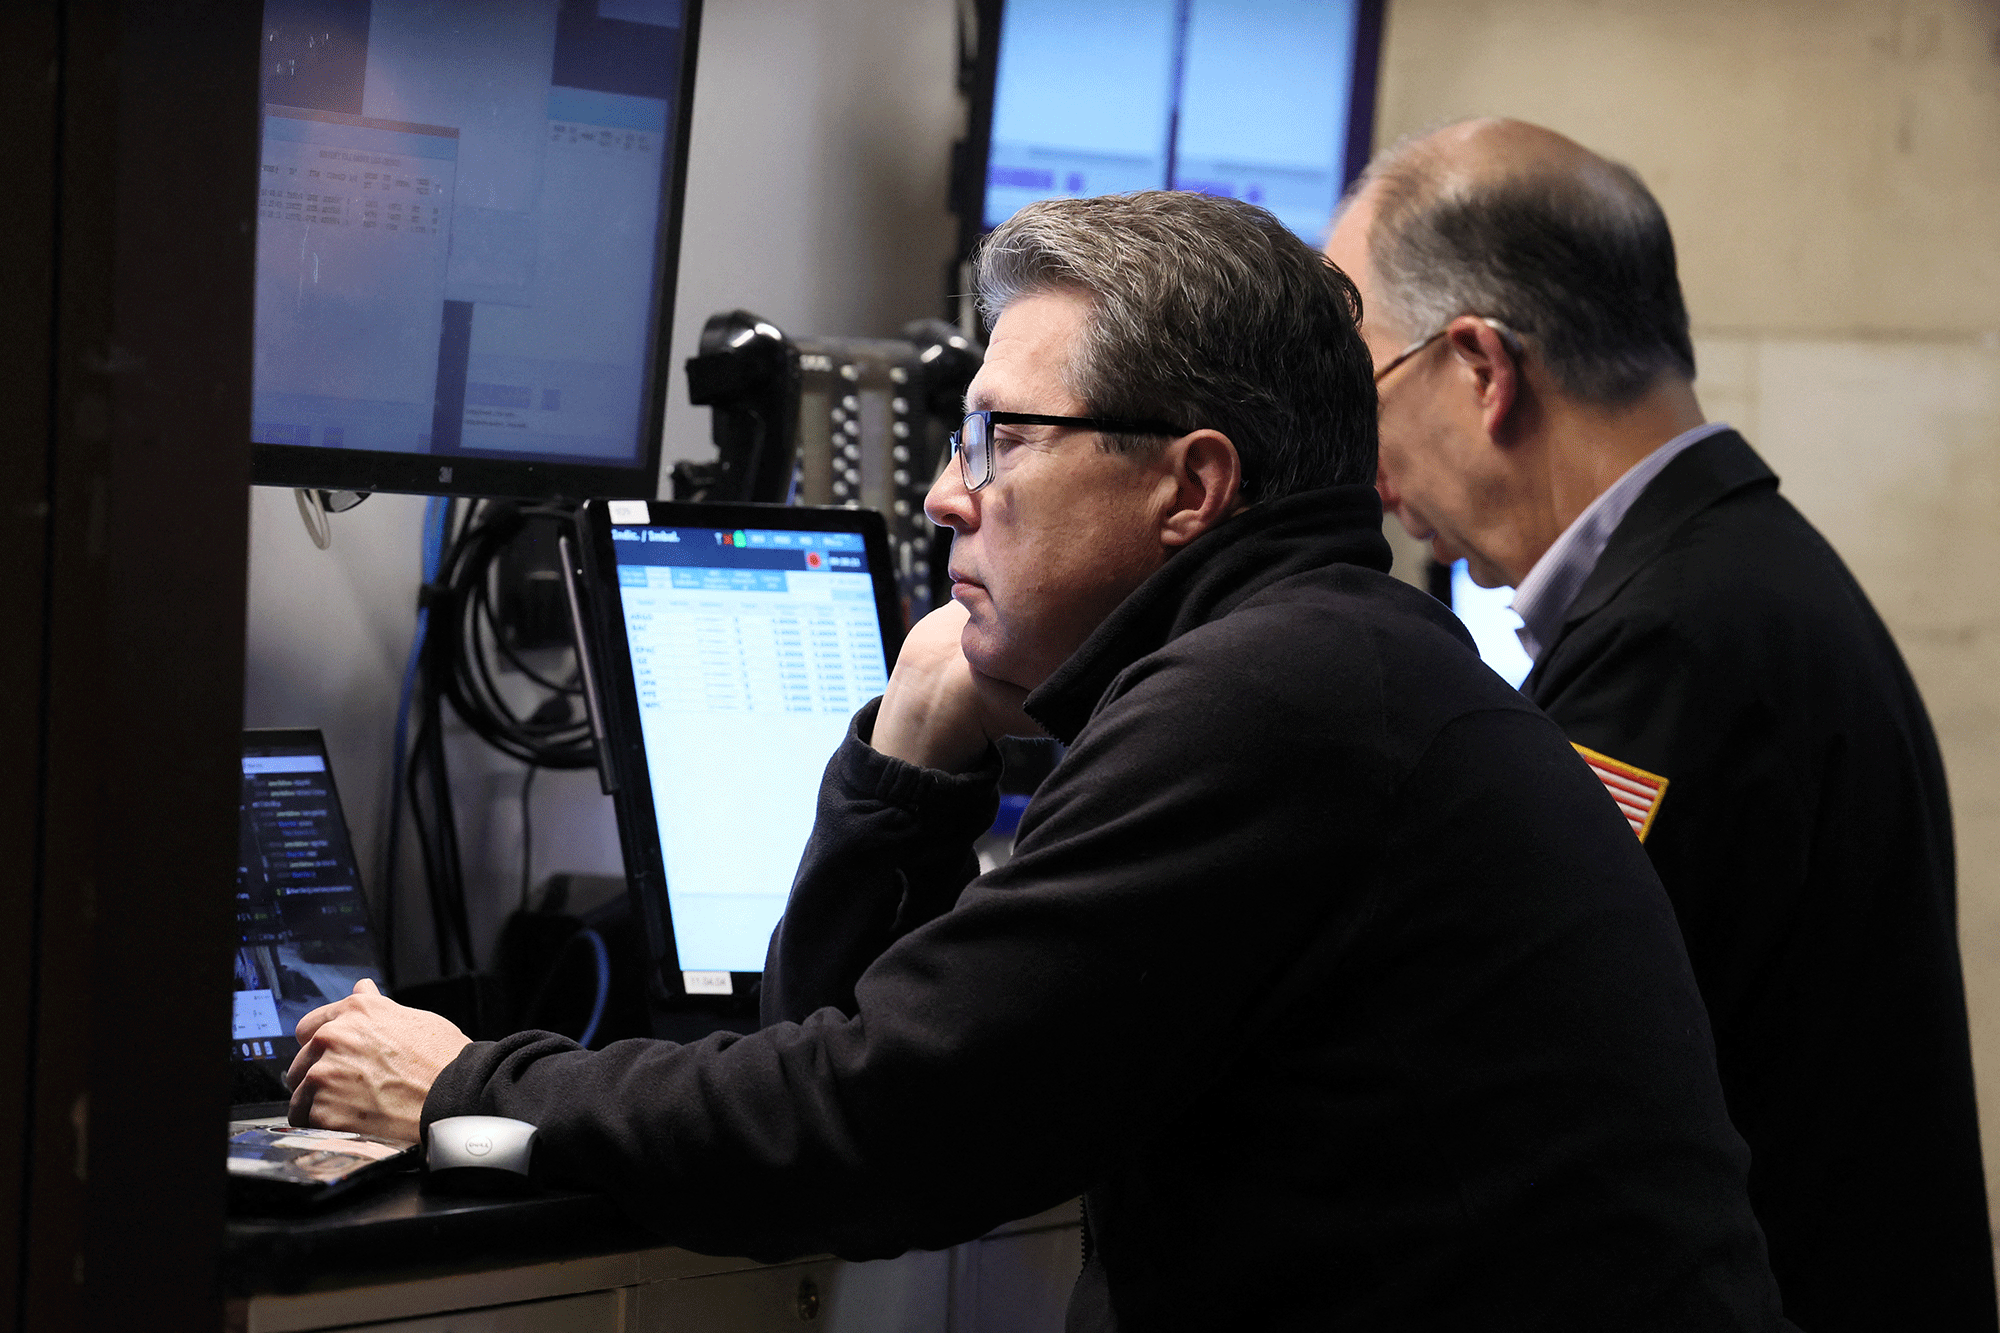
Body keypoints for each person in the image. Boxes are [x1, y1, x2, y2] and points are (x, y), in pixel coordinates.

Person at [289, 191, 1793, 1330]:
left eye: (1001, 438)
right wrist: (914, 753)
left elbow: (866, 1133)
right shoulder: (1324, 659)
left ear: (1190, 486)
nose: (948, 497)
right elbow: (843, 1058)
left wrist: (466, 1078)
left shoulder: (1275, 699)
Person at [1326, 118, 1996, 1332]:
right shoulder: (1733, 575)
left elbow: (1497, 1073)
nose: (1366, 473)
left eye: (1361, 387)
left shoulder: (1677, 643)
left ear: (1478, 367)